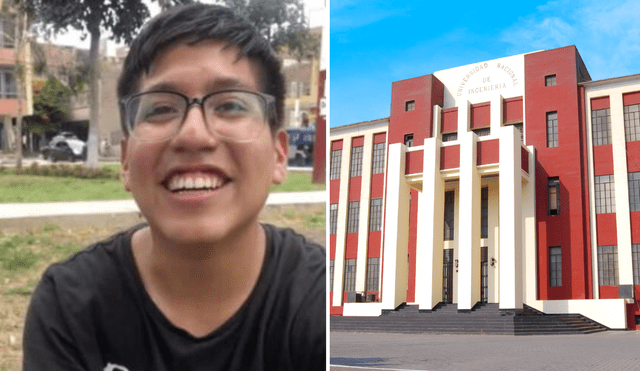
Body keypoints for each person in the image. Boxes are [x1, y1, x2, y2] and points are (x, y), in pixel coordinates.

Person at [22, 4, 326, 370]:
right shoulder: (70, 306)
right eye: (160, 109)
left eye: (230, 104)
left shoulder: (328, 305)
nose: (193, 135)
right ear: (126, 163)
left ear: (279, 156)